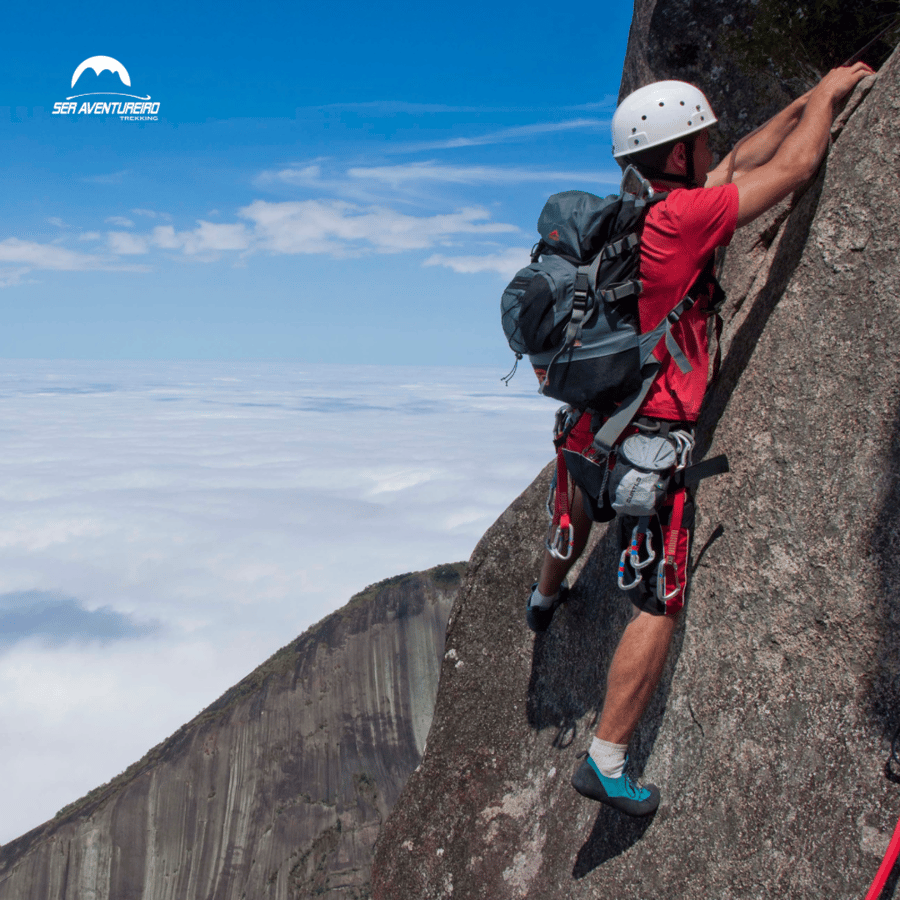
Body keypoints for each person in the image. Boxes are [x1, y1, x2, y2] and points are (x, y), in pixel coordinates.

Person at [526, 63, 874, 816]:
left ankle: (543, 596)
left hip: (591, 422)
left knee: (574, 501)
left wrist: (809, 94)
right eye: (702, 139)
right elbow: (792, 168)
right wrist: (825, 103)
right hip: (650, 438)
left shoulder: (634, 214)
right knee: (658, 599)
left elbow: (740, 156)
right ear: (680, 152)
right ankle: (606, 760)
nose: (714, 146)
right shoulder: (687, 219)